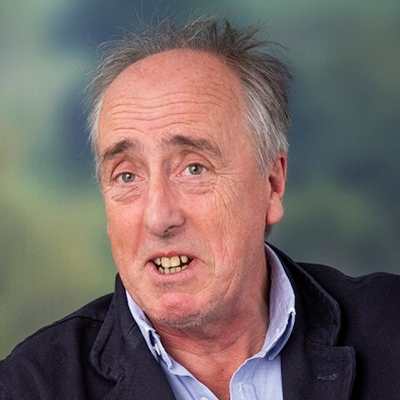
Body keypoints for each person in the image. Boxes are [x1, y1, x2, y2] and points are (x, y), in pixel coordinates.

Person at [1, 16, 399, 400]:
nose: (159, 218)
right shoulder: (29, 386)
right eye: (127, 175)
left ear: (273, 184)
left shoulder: (391, 326)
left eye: (194, 168)